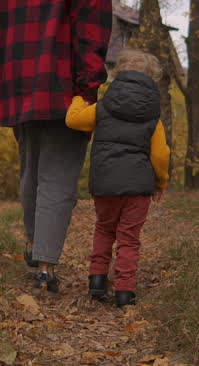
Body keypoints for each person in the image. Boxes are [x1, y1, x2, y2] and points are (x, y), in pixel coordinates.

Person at [0, 0, 113, 293]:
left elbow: (3, 29)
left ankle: (33, 245)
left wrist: (3, 82)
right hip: (64, 88)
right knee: (57, 178)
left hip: (20, 83)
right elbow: (92, 35)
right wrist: (90, 88)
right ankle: (44, 265)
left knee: (31, 174)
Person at [65, 48, 170, 308]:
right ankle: (125, 293)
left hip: (106, 183)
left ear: (118, 74)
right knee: (129, 238)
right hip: (138, 189)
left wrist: (79, 98)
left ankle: (97, 280)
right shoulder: (152, 115)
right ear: (151, 80)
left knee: (104, 229)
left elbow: (73, 120)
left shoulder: (103, 108)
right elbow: (160, 154)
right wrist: (160, 182)